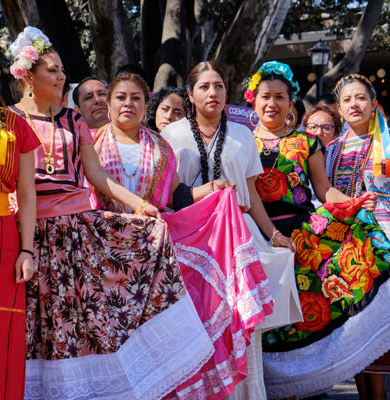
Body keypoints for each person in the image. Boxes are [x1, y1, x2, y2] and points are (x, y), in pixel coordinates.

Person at [8, 26, 213, 400]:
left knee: (87, 323)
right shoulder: (8, 120)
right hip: (28, 234)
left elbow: (96, 175)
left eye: (61, 70)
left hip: (76, 233)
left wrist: (140, 205)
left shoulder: (74, 121)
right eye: (52, 70)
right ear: (28, 77)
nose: (61, 76)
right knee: (39, 326)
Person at [93, 72, 274, 400]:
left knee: (155, 343)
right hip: (105, 257)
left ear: (146, 103)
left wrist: (212, 190)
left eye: (136, 97)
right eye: (121, 97)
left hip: (154, 257)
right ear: (108, 103)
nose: (128, 104)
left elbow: (176, 196)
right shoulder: (90, 143)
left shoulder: (160, 147)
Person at [244, 61, 390, 400]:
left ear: (291, 101)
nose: (272, 104)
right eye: (266, 96)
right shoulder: (240, 141)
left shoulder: (306, 142)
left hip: (303, 242)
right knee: (267, 325)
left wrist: (351, 205)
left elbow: (324, 192)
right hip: (255, 240)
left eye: (280, 97)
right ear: (254, 100)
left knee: (303, 319)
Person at [161, 61, 303, 400]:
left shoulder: (242, 134)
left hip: (239, 238)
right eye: (205, 87)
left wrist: (273, 235)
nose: (213, 93)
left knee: (240, 318)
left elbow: (251, 195)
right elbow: (168, 193)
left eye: (219, 86)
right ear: (190, 95)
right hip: (192, 242)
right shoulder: (171, 135)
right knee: (197, 323)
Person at [326, 73, 390, 400]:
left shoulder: (387, 143)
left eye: (361, 98)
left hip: (382, 244)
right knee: (354, 327)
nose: (355, 104)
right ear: (338, 108)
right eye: (348, 100)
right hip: (344, 248)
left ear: (373, 103)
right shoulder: (331, 149)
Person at [0, 40, 39, 400]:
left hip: (3, 243)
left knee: (0, 338)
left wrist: (26, 249)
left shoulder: (16, 125)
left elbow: (26, 193)